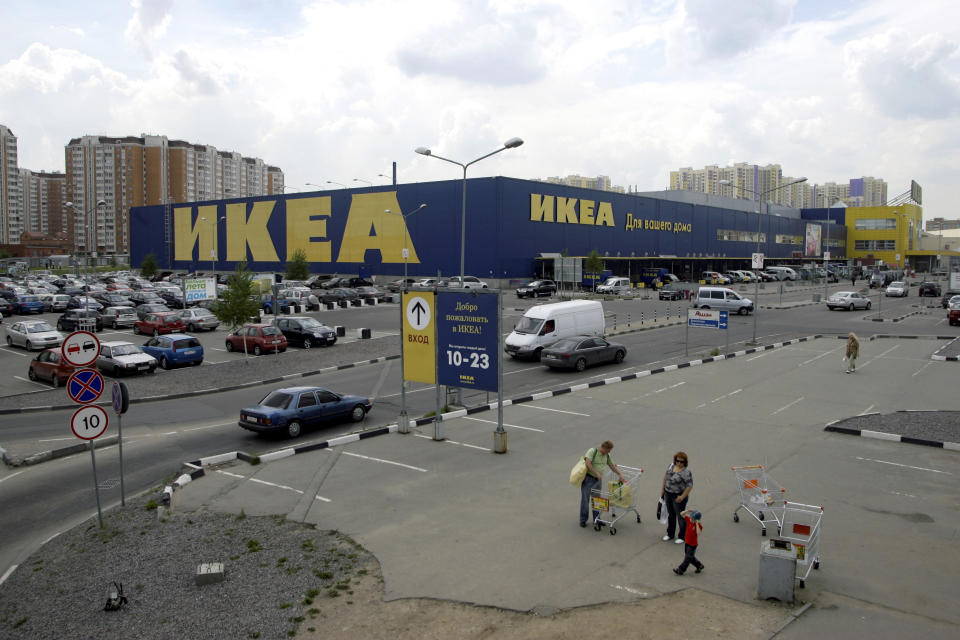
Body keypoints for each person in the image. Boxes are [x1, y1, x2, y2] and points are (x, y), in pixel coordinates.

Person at [579, 440, 626, 528]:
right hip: (588, 479)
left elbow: (612, 466)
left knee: (597, 500)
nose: (609, 452)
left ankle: (597, 519)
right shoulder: (592, 451)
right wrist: (596, 473)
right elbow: (588, 463)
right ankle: (583, 520)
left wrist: (620, 474)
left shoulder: (607, 455)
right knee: (585, 500)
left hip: (597, 480)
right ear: (604, 448)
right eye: (609, 450)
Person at [660, 451, 693, 544]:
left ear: (685, 462)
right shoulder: (671, 466)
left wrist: (682, 497)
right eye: (677, 461)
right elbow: (665, 478)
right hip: (668, 493)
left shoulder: (686, 472)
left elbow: (689, 486)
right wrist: (662, 490)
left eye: (682, 462)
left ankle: (682, 536)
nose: (679, 463)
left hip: (678, 496)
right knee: (671, 514)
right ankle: (670, 534)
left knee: (680, 516)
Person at [673, 509, 704, 575]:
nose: (690, 519)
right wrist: (687, 511)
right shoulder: (689, 520)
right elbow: (681, 514)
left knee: (687, 558)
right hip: (687, 542)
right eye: (691, 518)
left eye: (692, 519)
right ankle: (699, 565)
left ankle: (681, 570)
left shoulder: (697, 526)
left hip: (692, 545)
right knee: (690, 557)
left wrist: (697, 524)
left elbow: (698, 533)